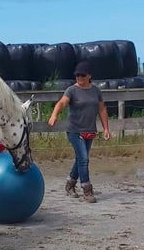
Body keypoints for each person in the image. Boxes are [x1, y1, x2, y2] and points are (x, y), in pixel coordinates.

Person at [47, 61, 111, 203]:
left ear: (89, 75)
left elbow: (101, 109)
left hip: (89, 130)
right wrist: (54, 115)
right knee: (84, 159)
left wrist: (106, 128)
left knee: (81, 159)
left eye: (82, 75)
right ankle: (87, 190)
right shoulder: (72, 90)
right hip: (75, 130)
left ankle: (70, 184)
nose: (79, 78)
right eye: (77, 76)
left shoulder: (96, 91)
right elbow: (62, 102)